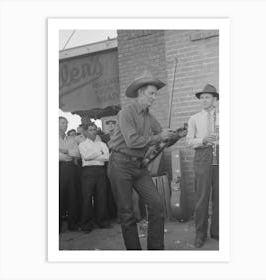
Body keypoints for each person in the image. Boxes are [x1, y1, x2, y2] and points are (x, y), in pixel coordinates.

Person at [108, 70, 175, 250]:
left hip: (139, 166)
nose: (154, 97)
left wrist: (174, 135)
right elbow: (133, 141)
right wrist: (160, 136)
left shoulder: (149, 116)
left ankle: (155, 251)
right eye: (151, 93)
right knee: (127, 214)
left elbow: (163, 138)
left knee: (156, 204)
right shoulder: (126, 112)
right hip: (119, 164)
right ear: (140, 93)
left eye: (155, 94)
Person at [186, 84, 219, 248]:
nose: (204, 100)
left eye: (207, 97)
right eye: (202, 97)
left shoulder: (223, 116)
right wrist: (203, 140)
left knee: (220, 197)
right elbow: (188, 141)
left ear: (215, 99)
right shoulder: (194, 118)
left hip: (220, 157)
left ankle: (217, 231)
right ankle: (200, 234)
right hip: (202, 157)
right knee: (202, 198)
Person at [78, 122, 111, 233]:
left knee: (101, 197)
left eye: (94, 129)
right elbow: (86, 157)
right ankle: (86, 225)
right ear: (86, 132)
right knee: (87, 198)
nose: (93, 132)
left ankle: (102, 222)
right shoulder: (82, 145)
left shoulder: (101, 144)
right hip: (88, 172)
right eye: (91, 130)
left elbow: (107, 157)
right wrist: (99, 154)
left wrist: (95, 155)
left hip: (100, 171)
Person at [59, 117, 80, 233]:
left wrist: (65, 151)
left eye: (66, 123)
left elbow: (76, 153)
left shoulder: (71, 139)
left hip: (70, 168)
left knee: (72, 196)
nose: (66, 125)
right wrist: (68, 154)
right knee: (58, 197)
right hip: (58, 168)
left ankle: (73, 224)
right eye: (63, 123)